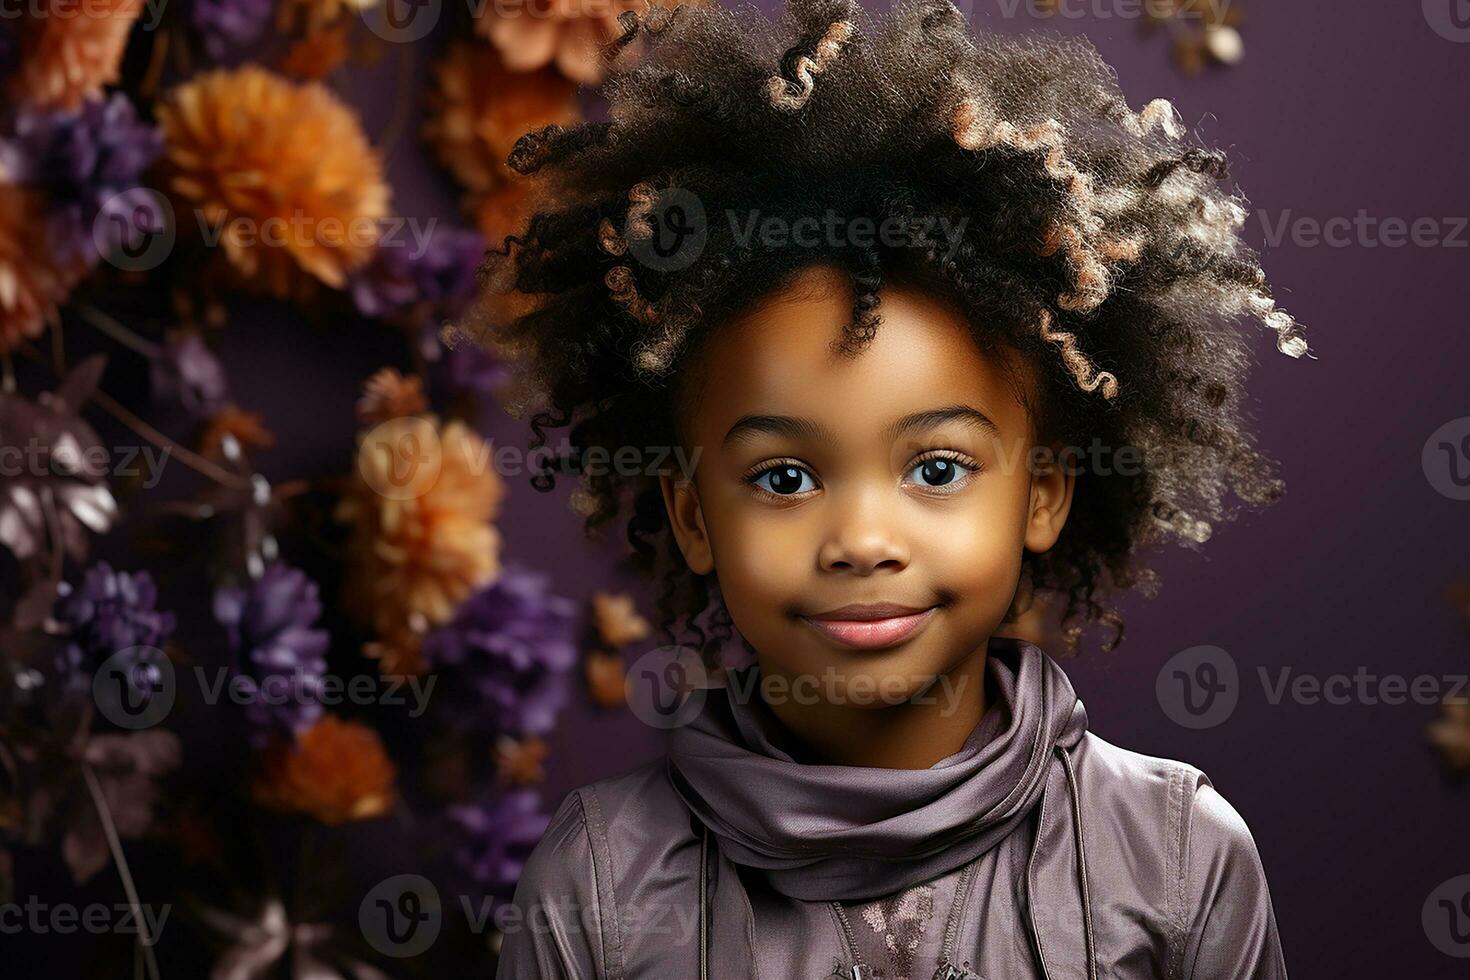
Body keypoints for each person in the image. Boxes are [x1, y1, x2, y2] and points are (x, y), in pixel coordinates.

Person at [475, 0, 1301, 975]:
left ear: (1044, 491)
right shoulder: (601, 887)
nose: (863, 537)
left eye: (937, 468)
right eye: (784, 475)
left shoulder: (1175, 861)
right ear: (693, 514)